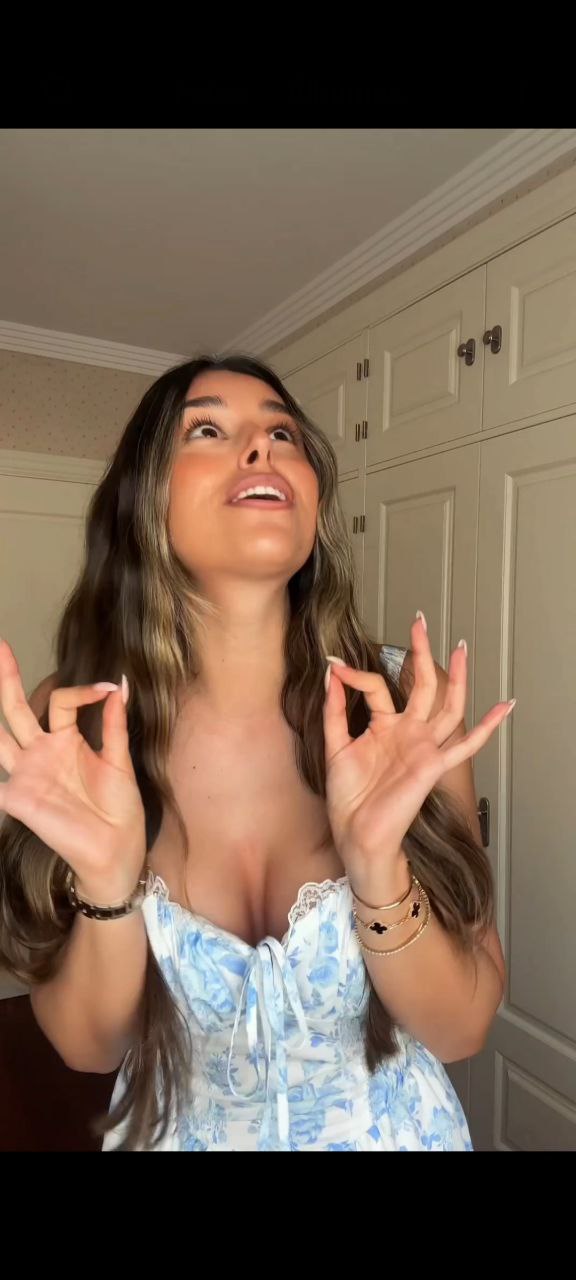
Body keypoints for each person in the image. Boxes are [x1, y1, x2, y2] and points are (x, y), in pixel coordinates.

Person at [0, 354, 510, 1152]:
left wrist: (377, 866)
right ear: (143, 499)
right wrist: (106, 887)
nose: (260, 448)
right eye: (207, 430)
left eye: (283, 434)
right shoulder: (81, 726)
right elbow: (89, 1047)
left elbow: (462, 1027)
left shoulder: (404, 704)